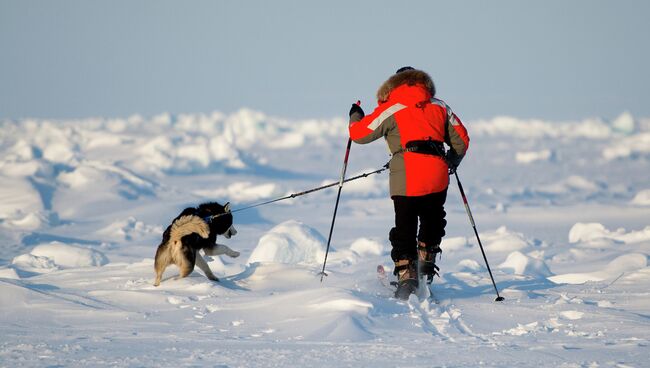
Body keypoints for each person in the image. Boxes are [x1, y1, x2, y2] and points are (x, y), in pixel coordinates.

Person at [348, 66, 470, 300]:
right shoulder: (440, 106)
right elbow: (462, 141)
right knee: (433, 218)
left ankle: (406, 275)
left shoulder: (391, 108)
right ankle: (426, 263)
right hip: (437, 175)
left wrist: (355, 115)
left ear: (394, 85)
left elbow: (359, 134)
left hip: (405, 177)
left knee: (405, 224)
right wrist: (451, 163)